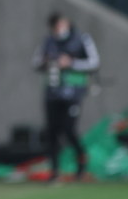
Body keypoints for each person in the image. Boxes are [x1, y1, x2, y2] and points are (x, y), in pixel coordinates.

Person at [32, 13, 100, 182]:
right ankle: (54, 171)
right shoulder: (48, 41)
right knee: (52, 131)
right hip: (53, 92)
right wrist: (47, 62)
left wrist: (71, 63)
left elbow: (94, 62)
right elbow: (35, 62)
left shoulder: (82, 39)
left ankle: (82, 165)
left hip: (74, 92)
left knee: (69, 130)